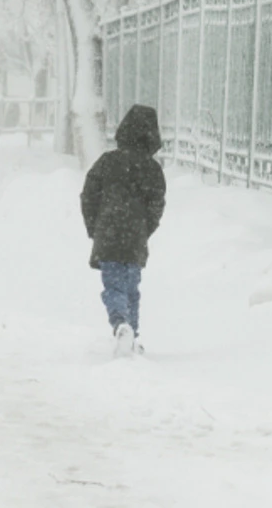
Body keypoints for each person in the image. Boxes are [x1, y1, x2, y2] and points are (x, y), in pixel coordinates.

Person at [79, 104, 167, 357]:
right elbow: (156, 206)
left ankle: (120, 324)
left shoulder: (108, 162)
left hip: (108, 234)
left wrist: (94, 226)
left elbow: (88, 196)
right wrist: (144, 229)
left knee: (113, 285)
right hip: (134, 238)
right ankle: (132, 333)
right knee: (131, 287)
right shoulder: (152, 170)